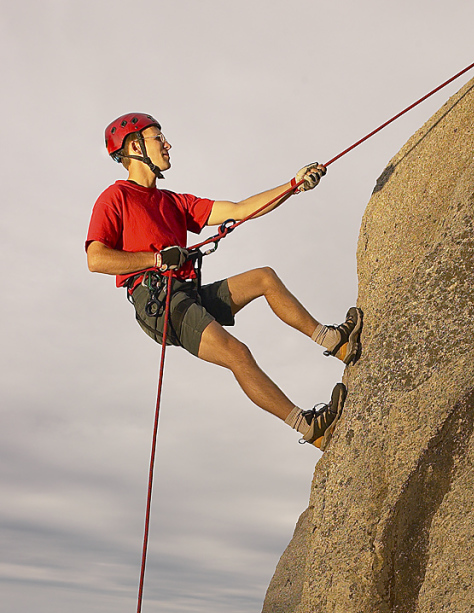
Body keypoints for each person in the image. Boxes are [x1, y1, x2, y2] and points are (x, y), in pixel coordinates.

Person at [85, 112, 362, 450]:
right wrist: (156, 259)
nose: (167, 144)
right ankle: (310, 428)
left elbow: (240, 208)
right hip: (158, 303)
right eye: (159, 138)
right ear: (134, 146)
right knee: (237, 353)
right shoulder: (116, 198)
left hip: (186, 294)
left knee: (264, 278)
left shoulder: (174, 202)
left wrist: (293, 185)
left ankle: (336, 342)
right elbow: (96, 258)